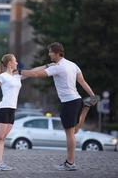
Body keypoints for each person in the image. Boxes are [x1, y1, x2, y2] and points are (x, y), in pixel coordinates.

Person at [20, 42, 98, 171]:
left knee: (70, 134)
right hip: (77, 100)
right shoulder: (73, 65)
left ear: (56, 53)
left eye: (50, 52)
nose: (49, 54)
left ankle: (70, 163)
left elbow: (35, 74)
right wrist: (93, 95)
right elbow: (82, 82)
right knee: (74, 131)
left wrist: (18, 71)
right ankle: (85, 108)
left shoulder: (58, 67)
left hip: (69, 102)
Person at [0, 53, 49, 171]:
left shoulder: (17, 76)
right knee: (0, 137)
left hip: (12, 109)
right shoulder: (2, 77)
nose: (16, 63)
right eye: (15, 61)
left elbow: (32, 71)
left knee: (2, 136)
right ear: (10, 63)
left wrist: (47, 66)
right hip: (3, 108)